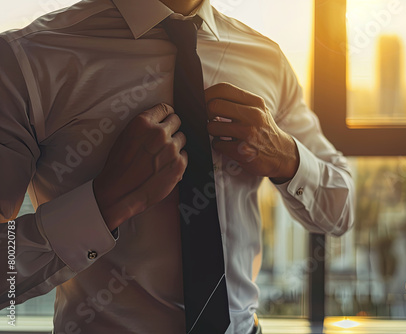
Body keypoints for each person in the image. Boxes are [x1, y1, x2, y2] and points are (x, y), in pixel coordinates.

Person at [0, 0, 354, 333]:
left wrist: (287, 157)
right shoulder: (28, 59)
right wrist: (104, 203)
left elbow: (341, 210)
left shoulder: (266, 58)